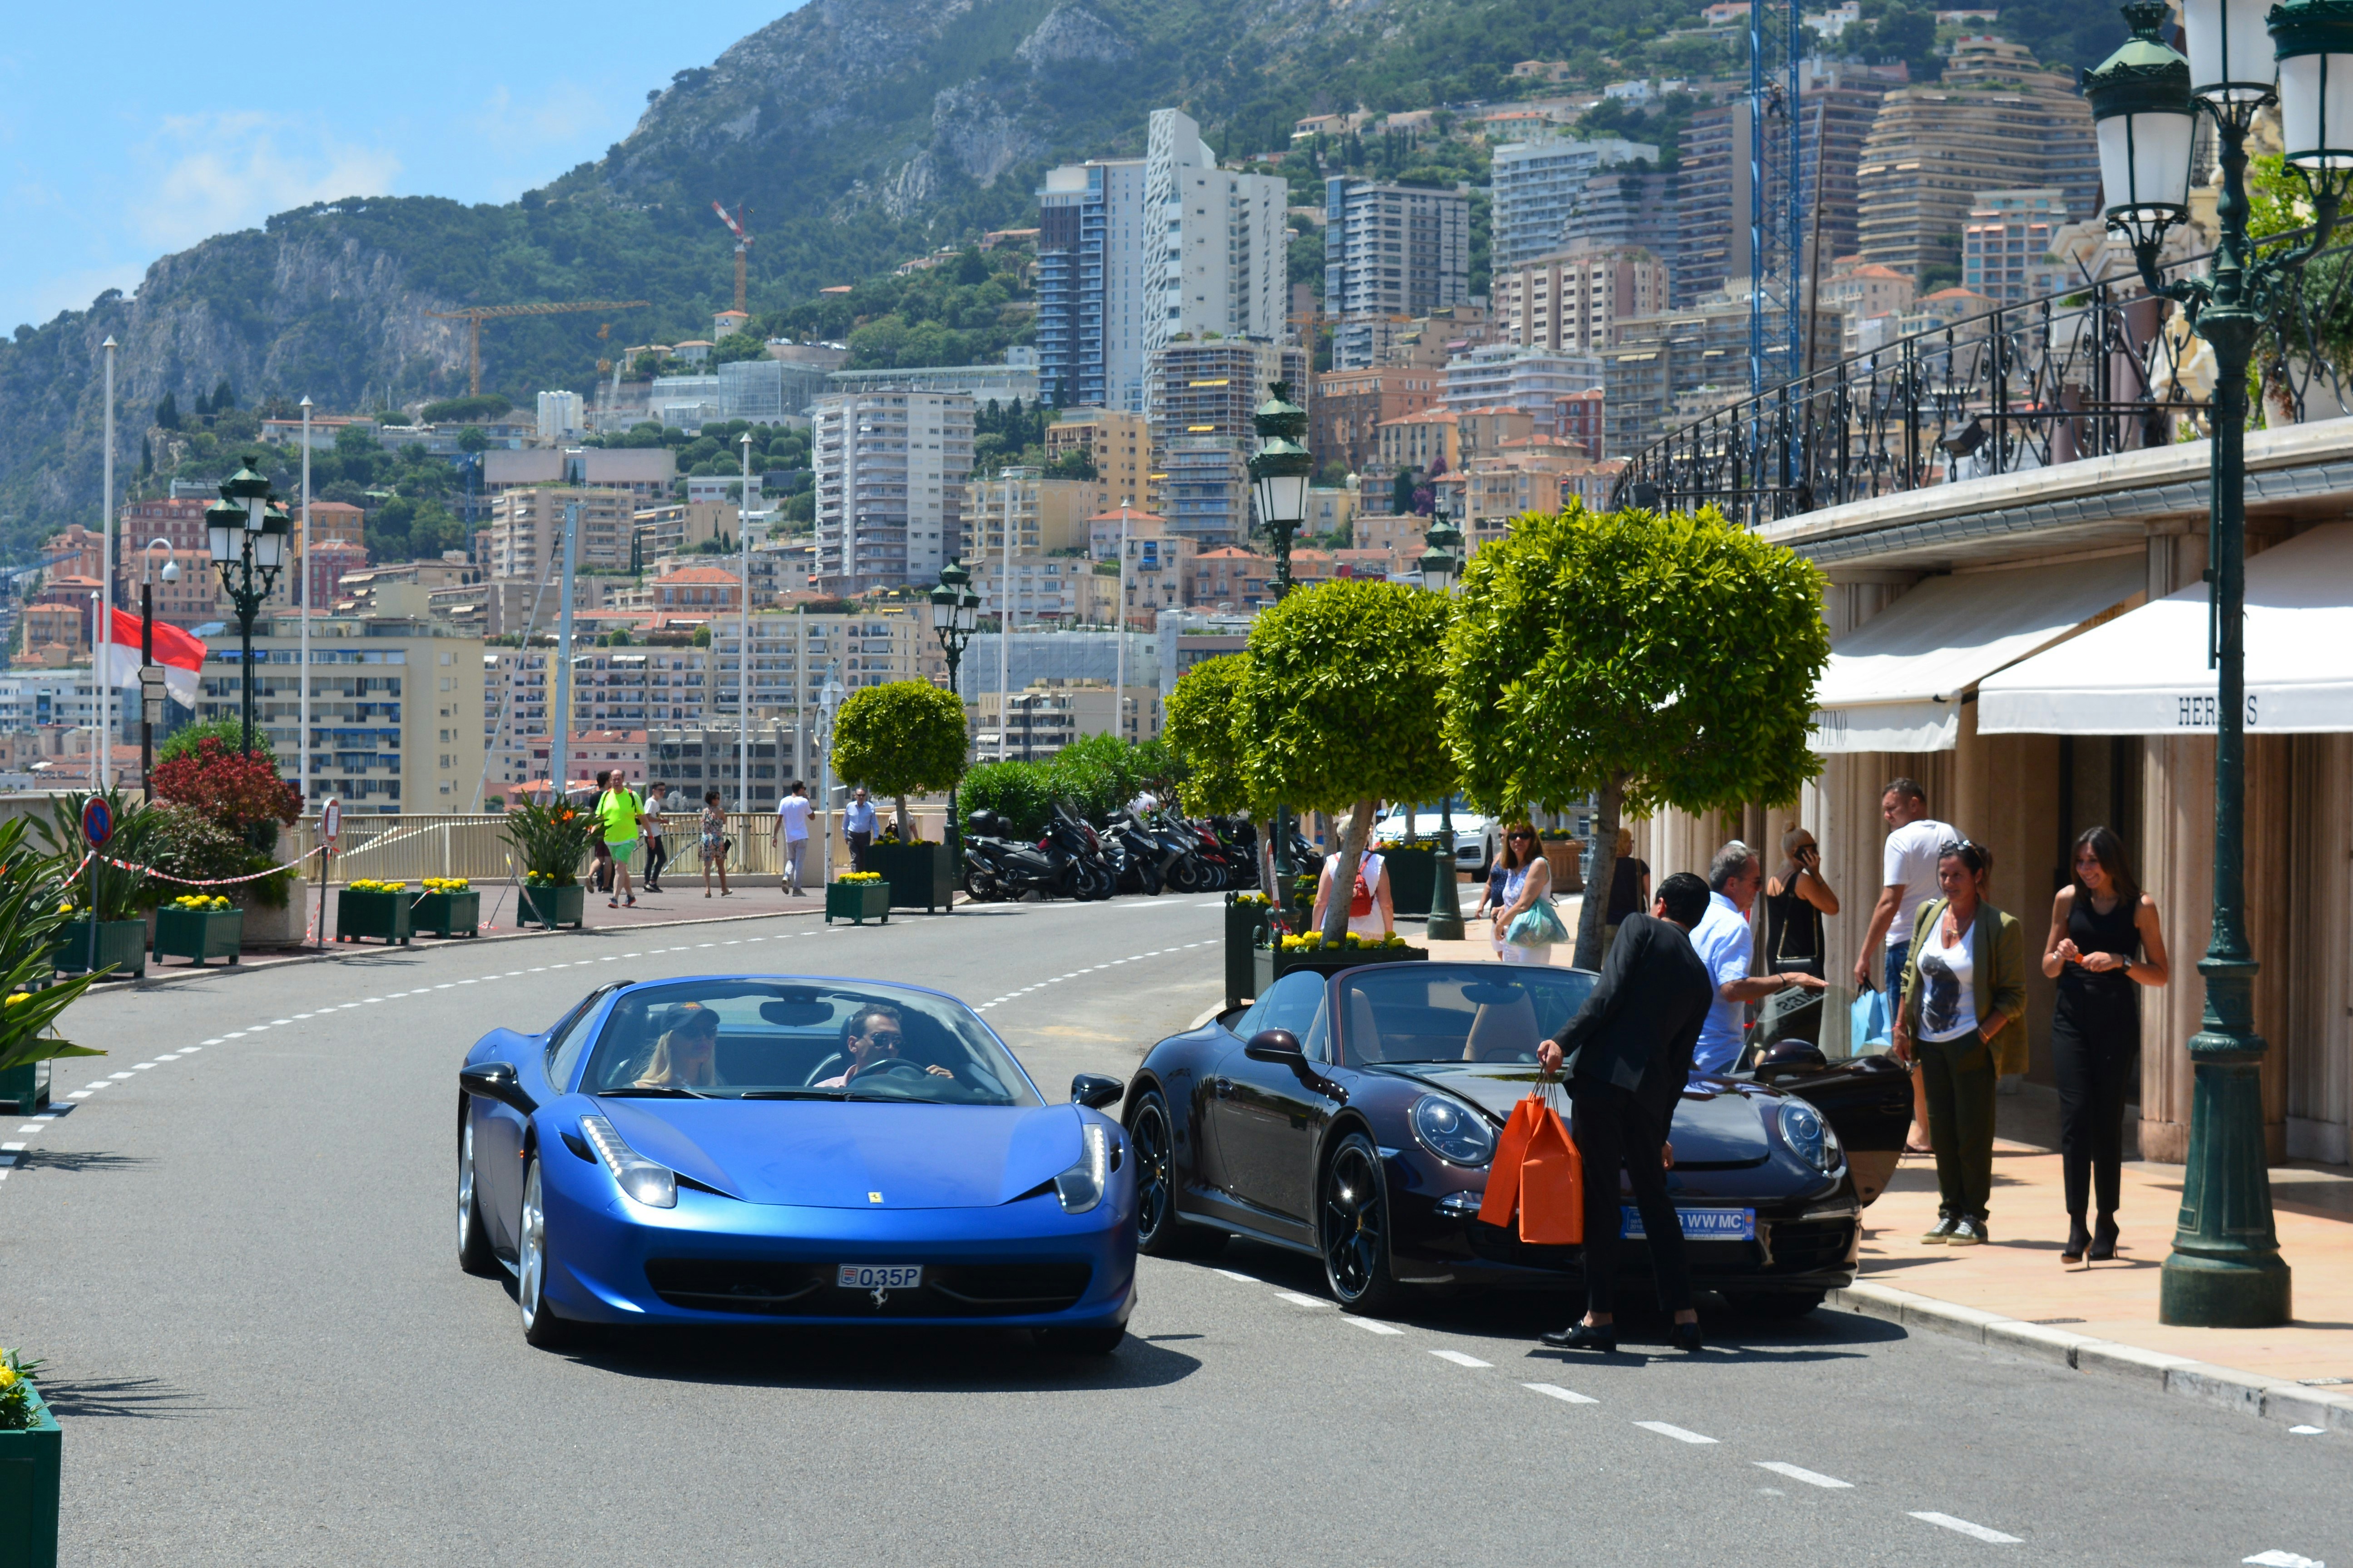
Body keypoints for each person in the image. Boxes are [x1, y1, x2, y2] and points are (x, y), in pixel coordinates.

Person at [1536, 871, 1716, 1353]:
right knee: (1655, 1201)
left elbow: (1607, 995)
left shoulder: (1640, 927)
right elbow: (1680, 1067)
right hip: (1649, 1096)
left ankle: (1599, 1319)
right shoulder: (1700, 977)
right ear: (1695, 918)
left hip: (1603, 1082)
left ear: (1659, 904)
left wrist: (1562, 1040)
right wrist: (1661, 1131)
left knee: (1602, 1198)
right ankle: (1685, 1317)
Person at [2042, 826, 2170, 1263]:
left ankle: (2107, 1221)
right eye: (2080, 861)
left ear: (2113, 862)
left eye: (2093, 861)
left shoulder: (2140, 906)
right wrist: (2061, 955)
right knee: (2074, 1119)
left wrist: (2121, 961)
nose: (2085, 870)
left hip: (2115, 1019)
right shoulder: (2067, 899)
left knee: (2105, 1120)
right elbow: (2046, 968)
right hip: (2070, 1019)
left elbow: (2160, 973)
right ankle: (2076, 1222)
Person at [1893, 839, 2027, 1247]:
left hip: (1972, 1042)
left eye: (1957, 875)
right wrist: (1901, 1026)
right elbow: (1908, 976)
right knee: (1942, 1132)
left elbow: (2015, 995)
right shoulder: (1928, 914)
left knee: (1973, 1133)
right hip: (1929, 1042)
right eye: (1943, 874)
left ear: (1977, 876)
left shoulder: (2000, 925)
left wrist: (1982, 1035)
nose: (1948, 882)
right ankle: (1948, 1211)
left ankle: (1975, 1215)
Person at [1851, 777, 1957, 1153]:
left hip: (1905, 948)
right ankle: (1939, 1124)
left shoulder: (1900, 840)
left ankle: (1923, 1129)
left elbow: (1889, 900)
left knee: (1905, 1039)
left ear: (1915, 804)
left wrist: (1864, 952)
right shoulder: (1951, 833)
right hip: (1946, 946)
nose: (1885, 816)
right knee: (1943, 1032)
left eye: (1891, 808)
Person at [1689, 841, 1828, 1078]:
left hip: (1689, 1055)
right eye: (1756, 882)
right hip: (1718, 1059)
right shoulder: (1733, 925)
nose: (1760, 889)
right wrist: (1788, 978)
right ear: (1732, 883)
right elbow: (1733, 988)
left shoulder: (1697, 914)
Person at [812, 1003, 954, 1089]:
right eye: (881, 1038)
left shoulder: (918, 1089)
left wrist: (947, 1089)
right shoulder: (825, 1092)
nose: (891, 1047)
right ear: (853, 1044)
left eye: (897, 1041)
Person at [1312, 819, 1394, 940]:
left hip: (1334, 928)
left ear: (1342, 836)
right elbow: (1386, 905)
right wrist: (1389, 935)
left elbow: (1320, 902)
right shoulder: (1377, 862)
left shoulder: (1333, 862)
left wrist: (1314, 934)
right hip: (1372, 930)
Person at [1488, 822, 1557, 964]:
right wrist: (1502, 908)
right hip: (1511, 935)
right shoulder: (1512, 868)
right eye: (1513, 836)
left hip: (1532, 936)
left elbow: (1524, 904)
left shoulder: (1539, 864)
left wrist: (1500, 924)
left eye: (1524, 836)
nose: (1518, 840)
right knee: (1512, 983)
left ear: (1533, 840)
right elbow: (1515, 899)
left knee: (1531, 983)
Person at [634, 1003, 720, 1089]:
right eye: (691, 1031)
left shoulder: (723, 1092)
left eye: (710, 1030)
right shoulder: (636, 1093)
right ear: (669, 1040)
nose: (703, 1037)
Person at [1600, 826, 1650, 954]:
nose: (1631, 845)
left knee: (1609, 964)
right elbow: (1650, 895)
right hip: (1634, 922)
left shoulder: (1604, 867)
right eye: (1630, 842)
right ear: (1625, 844)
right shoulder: (1639, 866)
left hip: (1608, 922)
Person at [596, 772, 641, 910]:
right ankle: (631, 896)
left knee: (619, 866)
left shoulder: (632, 796)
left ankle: (615, 898)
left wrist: (650, 836)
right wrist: (593, 829)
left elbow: (642, 816)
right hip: (611, 839)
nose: (616, 781)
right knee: (622, 869)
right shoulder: (605, 796)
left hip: (629, 837)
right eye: (614, 779)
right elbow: (600, 816)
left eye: (619, 779)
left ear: (623, 780)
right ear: (610, 781)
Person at [774, 780, 812, 897]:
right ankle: (797, 889)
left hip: (790, 837)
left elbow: (779, 819)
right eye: (804, 788)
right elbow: (812, 817)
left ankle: (787, 876)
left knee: (791, 859)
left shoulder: (784, 801)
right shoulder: (804, 801)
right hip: (802, 836)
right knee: (800, 862)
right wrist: (808, 802)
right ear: (800, 789)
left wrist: (774, 836)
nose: (805, 790)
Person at [699, 788, 732, 898]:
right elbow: (724, 821)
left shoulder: (704, 811)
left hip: (706, 840)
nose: (719, 800)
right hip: (717, 839)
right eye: (717, 798)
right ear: (713, 800)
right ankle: (724, 888)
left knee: (707, 865)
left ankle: (708, 889)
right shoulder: (720, 811)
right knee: (720, 865)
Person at [640, 782, 670, 894]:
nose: (662, 792)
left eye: (664, 790)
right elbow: (647, 817)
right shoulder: (651, 802)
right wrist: (661, 821)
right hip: (652, 834)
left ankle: (647, 883)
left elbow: (653, 816)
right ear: (654, 790)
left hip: (654, 833)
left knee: (651, 859)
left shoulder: (655, 803)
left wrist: (659, 819)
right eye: (660, 790)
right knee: (662, 858)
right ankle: (652, 882)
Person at [844, 786, 877, 875]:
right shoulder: (850, 806)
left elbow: (874, 823)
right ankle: (855, 877)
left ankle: (862, 878)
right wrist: (845, 836)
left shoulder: (870, 807)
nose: (861, 797)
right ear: (855, 796)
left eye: (863, 795)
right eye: (859, 795)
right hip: (852, 836)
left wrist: (876, 836)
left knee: (864, 858)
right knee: (855, 858)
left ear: (866, 796)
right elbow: (846, 822)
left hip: (865, 836)